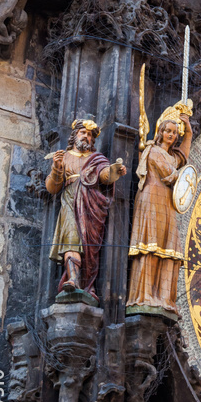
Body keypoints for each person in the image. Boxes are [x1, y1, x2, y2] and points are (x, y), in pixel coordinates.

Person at [46, 115, 126, 302]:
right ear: (75, 135)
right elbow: (52, 188)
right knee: (72, 239)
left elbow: (105, 176)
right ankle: (73, 279)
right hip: (70, 202)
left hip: (91, 207)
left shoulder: (96, 159)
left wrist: (115, 170)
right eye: (83, 133)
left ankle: (86, 283)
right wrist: (56, 169)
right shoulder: (64, 157)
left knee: (90, 248)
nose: (87, 137)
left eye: (90, 135)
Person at [126, 102, 192, 319]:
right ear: (160, 132)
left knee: (167, 246)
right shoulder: (154, 151)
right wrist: (183, 177)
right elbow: (171, 174)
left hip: (166, 202)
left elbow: (183, 155)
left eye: (175, 132)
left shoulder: (172, 156)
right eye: (168, 131)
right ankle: (144, 295)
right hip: (152, 198)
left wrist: (188, 130)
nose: (172, 135)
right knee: (151, 244)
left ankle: (164, 298)